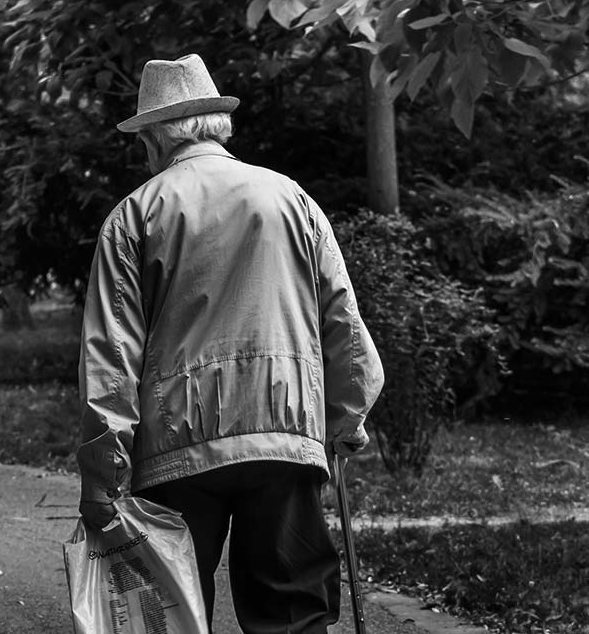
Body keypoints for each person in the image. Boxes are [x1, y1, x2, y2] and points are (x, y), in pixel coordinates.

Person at [76, 54, 385, 634]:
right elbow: (341, 317)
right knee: (292, 617)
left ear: (155, 137)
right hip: (285, 436)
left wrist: (103, 477)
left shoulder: (134, 216)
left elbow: (112, 359)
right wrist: (347, 417)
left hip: (175, 449)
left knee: (167, 616)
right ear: (215, 125)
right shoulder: (293, 199)